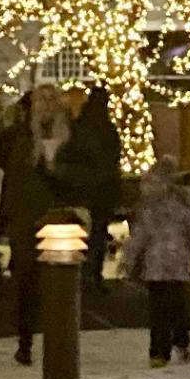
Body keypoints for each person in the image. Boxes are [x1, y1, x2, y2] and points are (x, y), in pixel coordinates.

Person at [118, 161, 190, 365]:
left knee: (173, 308)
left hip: (172, 266)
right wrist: (128, 258)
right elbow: (139, 236)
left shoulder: (178, 208)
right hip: (158, 266)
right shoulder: (150, 210)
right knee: (161, 309)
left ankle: (176, 343)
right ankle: (161, 350)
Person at [53, 85, 127, 307]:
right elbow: (112, 158)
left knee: (85, 234)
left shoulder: (80, 127)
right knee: (96, 234)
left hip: (83, 189)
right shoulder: (105, 129)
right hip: (98, 189)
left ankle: (82, 275)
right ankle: (92, 275)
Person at [1, 96, 55, 365]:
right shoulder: (20, 139)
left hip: (52, 217)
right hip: (28, 217)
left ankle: (47, 340)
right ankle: (27, 341)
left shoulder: (60, 137)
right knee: (29, 283)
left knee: (53, 282)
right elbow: (11, 175)